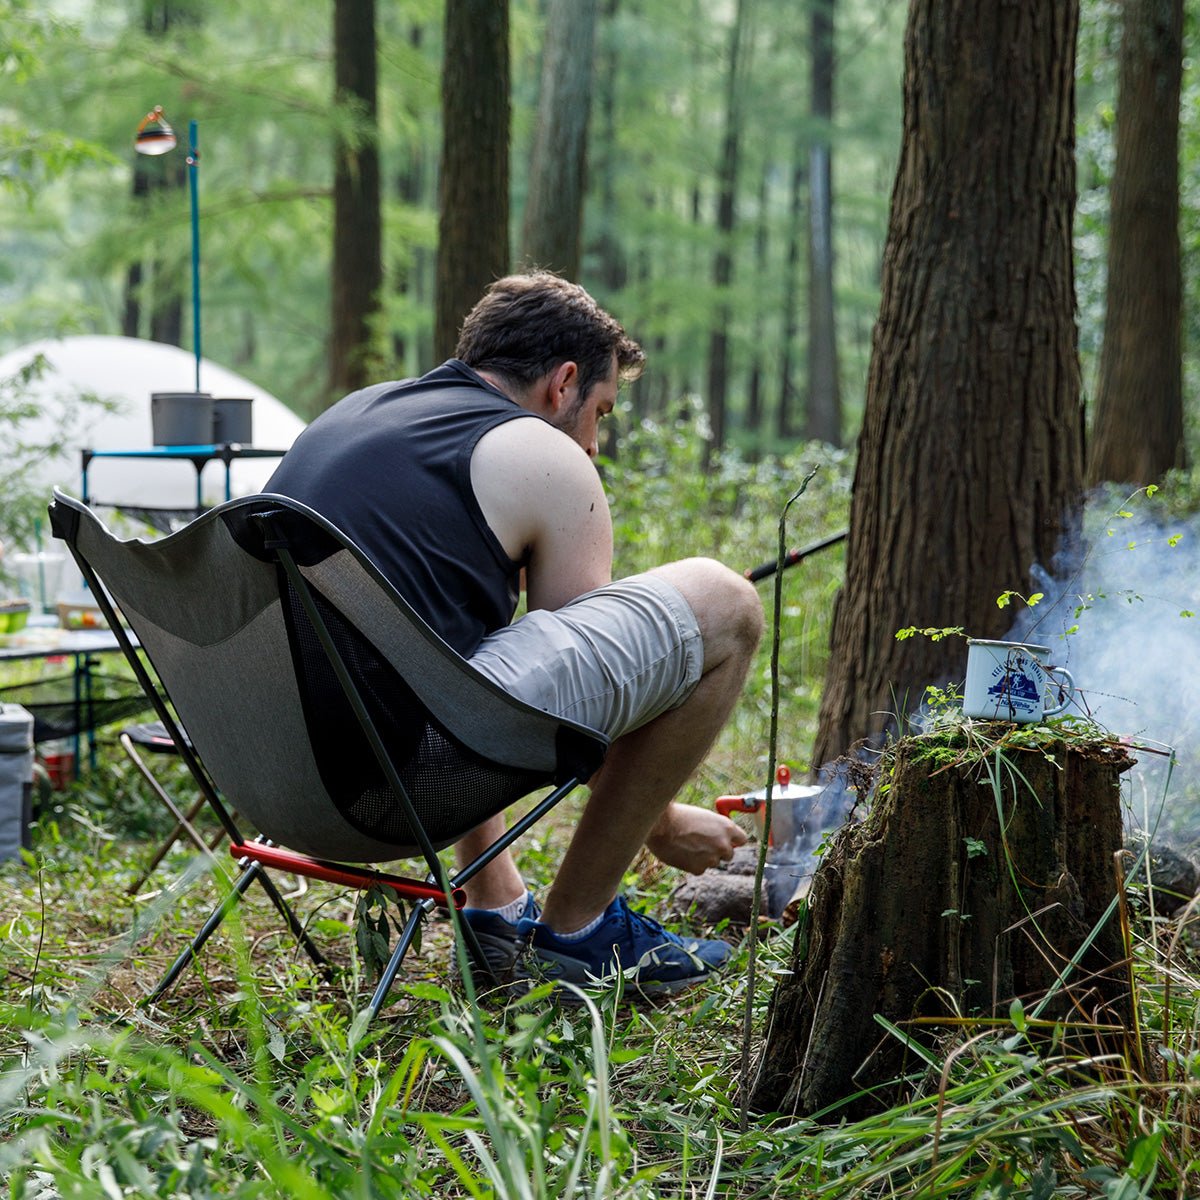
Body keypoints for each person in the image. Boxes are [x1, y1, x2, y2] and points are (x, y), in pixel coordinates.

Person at [266, 272, 762, 996]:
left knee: (460, 646)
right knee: (726, 602)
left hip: (280, 786)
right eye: (601, 410)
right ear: (562, 385)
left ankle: (494, 908)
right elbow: (589, 704)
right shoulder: (539, 449)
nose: (593, 444)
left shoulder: (357, 415)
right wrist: (661, 823)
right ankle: (580, 932)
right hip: (396, 790)